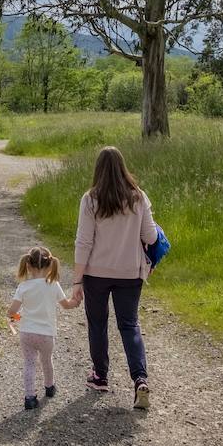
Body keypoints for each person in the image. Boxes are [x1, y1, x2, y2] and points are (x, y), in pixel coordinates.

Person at [70, 145, 155, 410]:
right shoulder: (138, 197)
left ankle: (100, 376)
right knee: (129, 324)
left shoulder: (90, 199)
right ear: (123, 167)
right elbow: (150, 237)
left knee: (97, 323)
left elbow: (83, 242)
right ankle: (140, 379)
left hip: (96, 273)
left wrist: (76, 281)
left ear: (98, 170)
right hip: (131, 273)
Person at [8, 245, 82, 410]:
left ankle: (29, 398)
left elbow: (11, 312)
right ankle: (49, 387)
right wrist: (76, 301)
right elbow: (66, 305)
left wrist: (19, 319)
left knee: (29, 363)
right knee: (46, 361)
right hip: (46, 335)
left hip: (27, 333)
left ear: (28, 265)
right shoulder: (53, 285)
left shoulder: (23, 287)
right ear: (50, 265)